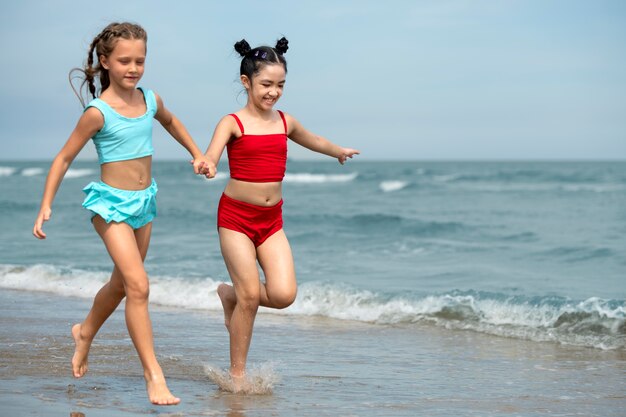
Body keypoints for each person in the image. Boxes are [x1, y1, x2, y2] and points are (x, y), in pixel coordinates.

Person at [32, 22, 213, 405]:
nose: (133, 68)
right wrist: (46, 203)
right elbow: (64, 157)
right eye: (125, 60)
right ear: (105, 61)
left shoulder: (150, 99)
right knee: (139, 286)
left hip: (144, 202)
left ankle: (84, 332)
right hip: (110, 206)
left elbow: (172, 122)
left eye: (140, 61)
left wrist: (196, 153)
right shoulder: (97, 112)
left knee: (120, 285)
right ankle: (154, 376)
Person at [203, 37, 359, 392]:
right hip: (236, 219)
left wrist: (337, 151)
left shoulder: (285, 122)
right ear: (247, 83)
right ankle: (237, 376)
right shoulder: (232, 123)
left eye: (280, 85)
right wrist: (207, 164)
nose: (274, 92)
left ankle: (230, 295)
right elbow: (212, 155)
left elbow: (312, 139)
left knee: (284, 294)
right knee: (252, 298)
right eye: (267, 84)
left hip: (271, 221)